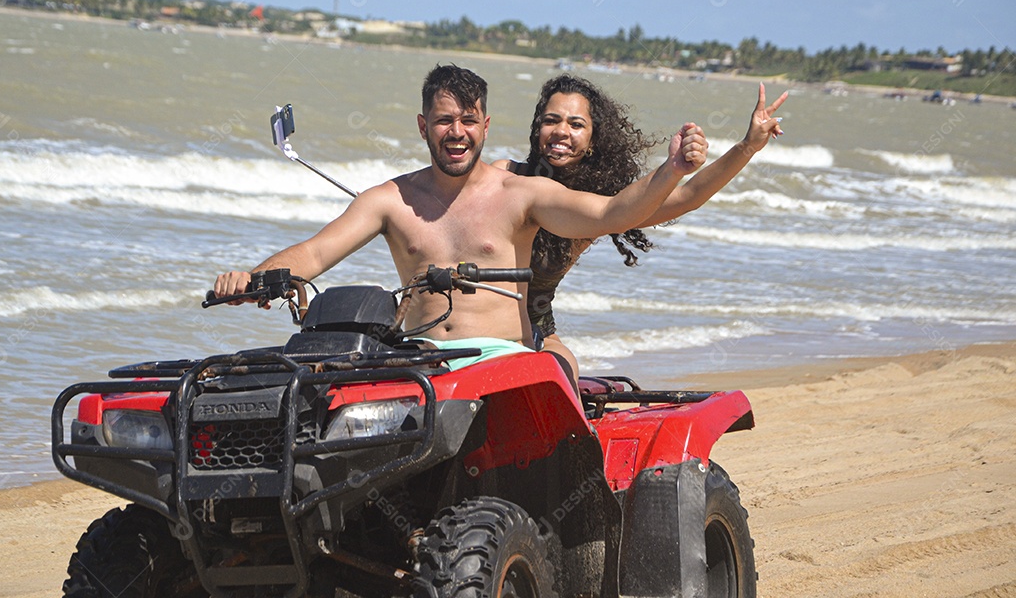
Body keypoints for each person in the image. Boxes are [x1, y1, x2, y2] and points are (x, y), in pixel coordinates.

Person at [213, 64, 707, 372]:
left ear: (485, 126)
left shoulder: (524, 194)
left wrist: (673, 168)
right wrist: (252, 280)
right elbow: (315, 253)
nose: (457, 132)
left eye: (468, 121)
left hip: (503, 361)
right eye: (445, 120)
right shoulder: (388, 200)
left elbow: (611, 211)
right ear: (424, 126)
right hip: (414, 361)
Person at [493, 74, 788, 380]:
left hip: (538, 329)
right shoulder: (504, 177)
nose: (561, 132)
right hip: (481, 326)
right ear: (537, 127)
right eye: (551, 120)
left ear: (594, 140)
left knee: (563, 377)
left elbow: (688, 196)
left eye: (576, 124)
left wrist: (748, 146)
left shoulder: (603, 209)